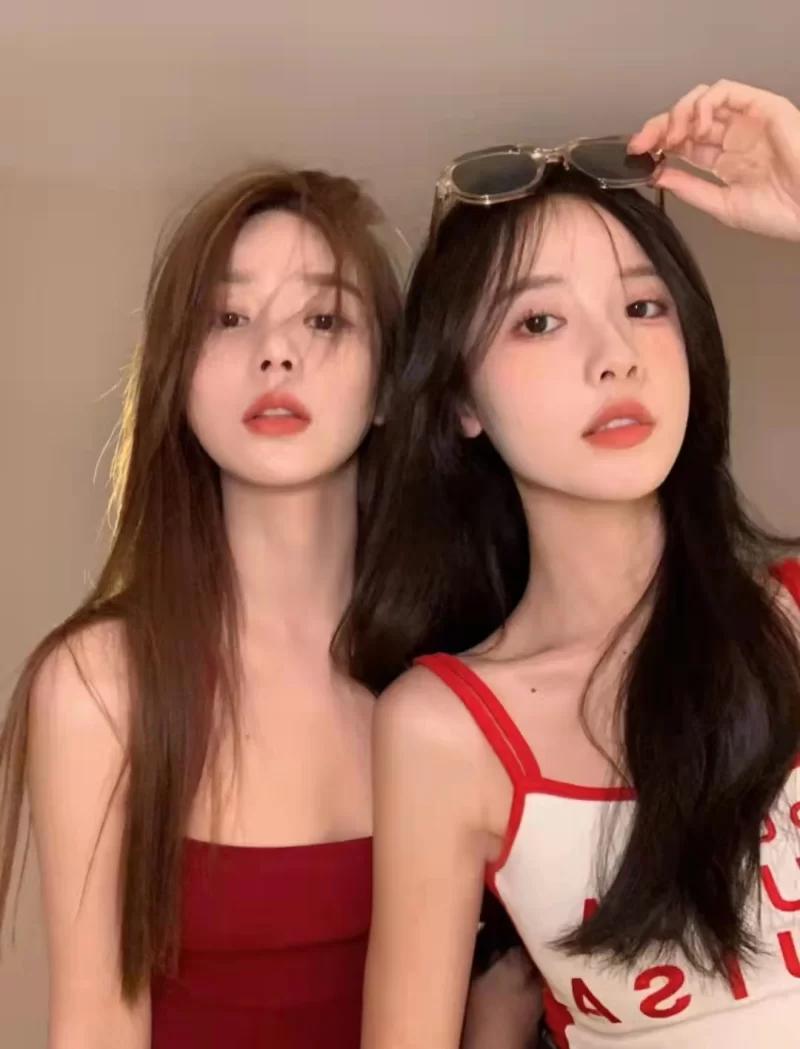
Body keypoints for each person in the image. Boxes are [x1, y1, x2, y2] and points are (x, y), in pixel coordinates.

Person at [0, 166, 535, 1049]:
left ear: (390, 382)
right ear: (176, 374)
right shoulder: (100, 686)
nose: (276, 353)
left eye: (323, 318)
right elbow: (93, 1027)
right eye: (229, 317)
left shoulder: (461, 677)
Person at [351, 81, 800, 1048]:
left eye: (643, 305)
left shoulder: (793, 618)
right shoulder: (443, 729)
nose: (616, 355)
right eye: (539, 321)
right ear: (461, 400)